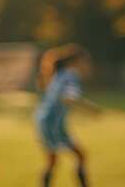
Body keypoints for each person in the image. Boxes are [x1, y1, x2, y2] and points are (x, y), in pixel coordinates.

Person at [34, 44, 102, 187]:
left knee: (53, 160)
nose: (87, 65)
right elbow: (69, 98)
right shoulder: (71, 75)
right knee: (79, 155)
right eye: (86, 61)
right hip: (52, 123)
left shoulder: (60, 74)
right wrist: (92, 109)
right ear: (75, 62)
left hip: (45, 120)